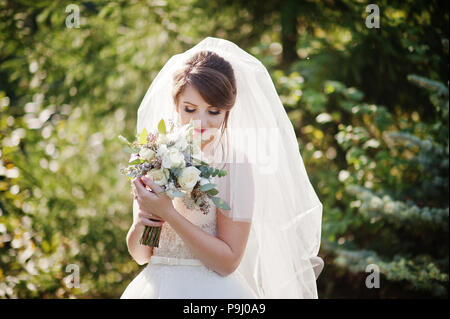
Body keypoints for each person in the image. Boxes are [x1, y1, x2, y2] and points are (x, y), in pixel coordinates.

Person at [120, 37, 323, 299]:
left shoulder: (234, 165)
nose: (200, 121)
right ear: (176, 104)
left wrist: (168, 213)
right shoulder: (154, 157)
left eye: (213, 111)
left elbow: (227, 262)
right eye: (190, 109)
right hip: (153, 288)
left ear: (227, 112)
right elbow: (140, 255)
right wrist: (142, 221)